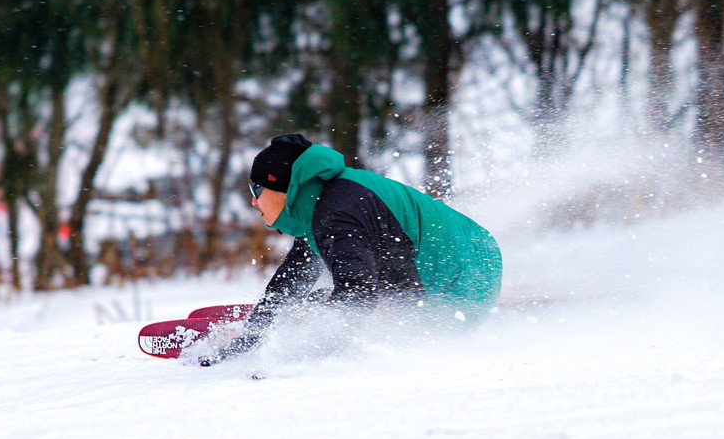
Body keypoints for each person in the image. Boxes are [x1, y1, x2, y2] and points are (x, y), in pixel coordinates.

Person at [199, 134, 502, 365]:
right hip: (473, 256)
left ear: (284, 188)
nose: (253, 202)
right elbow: (297, 273)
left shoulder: (336, 215)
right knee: (336, 292)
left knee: (348, 297)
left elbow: (360, 296)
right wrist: (258, 329)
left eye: (257, 190)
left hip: (463, 286)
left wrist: (297, 351)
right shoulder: (324, 200)